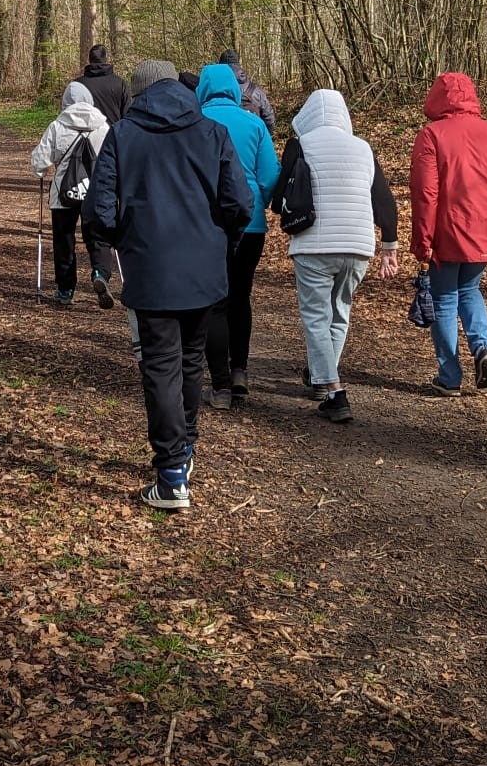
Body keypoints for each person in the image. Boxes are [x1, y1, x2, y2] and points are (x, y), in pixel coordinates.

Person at [86, 60, 253, 513]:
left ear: (137, 95)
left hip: (150, 267)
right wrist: (223, 242)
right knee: (189, 360)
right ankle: (185, 450)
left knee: (161, 366)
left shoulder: (122, 135)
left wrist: (124, 238)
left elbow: (99, 212)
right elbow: (240, 201)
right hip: (204, 268)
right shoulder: (211, 131)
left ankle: (173, 471)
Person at [271, 89, 399, 424]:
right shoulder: (363, 148)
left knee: (316, 317)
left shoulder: (302, 145)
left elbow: (279, 194)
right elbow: (385, 201)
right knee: (339, 313)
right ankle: (323, 379)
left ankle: (333, 389)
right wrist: (390, 245)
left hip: (314, 244)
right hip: (357, 246)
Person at [408, 72, 487, 395]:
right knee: (470, 290)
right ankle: (483, 348)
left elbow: (425, 194)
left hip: (447, 232)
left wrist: (423, 242)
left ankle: (450, 377)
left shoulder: (431, 135)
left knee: (445, 298)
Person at [195, 63, 280, 410]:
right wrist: (259, 202)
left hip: (207, 225)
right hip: (251, 225)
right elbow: (270, 175)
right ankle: (240, 369)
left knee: (215, 301)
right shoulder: (255, 122)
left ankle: (220, 385)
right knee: (241, 294)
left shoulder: (195, 122)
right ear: (234, 88)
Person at [30, 81, 115, 308]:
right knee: (98, 236)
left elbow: (39, 161)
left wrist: (40, 171)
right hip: (95, 193)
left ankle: (66, 289)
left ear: (66, 102)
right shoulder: (103, 126)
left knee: (64, 239)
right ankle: (100, 274)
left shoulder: (58, 126)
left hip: (64, 194)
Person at [217, 48, 276, 133]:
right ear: (238, 64)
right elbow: (269, 118)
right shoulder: (255, 90)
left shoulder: (214, 91)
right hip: (251, 140)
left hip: (224, 141)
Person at [77, 42, 131, 125]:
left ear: (89, 60)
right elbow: (127, 115)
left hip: (85, 136)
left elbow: (70, 116)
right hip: (113, 134)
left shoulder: (77, 85)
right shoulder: (119, 83)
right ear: (107, 59)